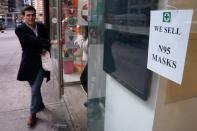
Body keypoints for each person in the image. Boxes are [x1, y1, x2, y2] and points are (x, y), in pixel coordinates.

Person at [15, 6, 55, 127]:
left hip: (42, 62)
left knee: (34, 88)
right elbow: (30, 40)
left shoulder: (41, 26)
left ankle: (32, 113)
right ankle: (40, 104)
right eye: (28, 15)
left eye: (33, 14)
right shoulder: (19, 29)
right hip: (28, 62)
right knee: (34, 86)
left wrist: (45, 47)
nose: (31, 17)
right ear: (23, 16)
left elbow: (44, 39)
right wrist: (47, 43)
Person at [74, 26, 88, 93]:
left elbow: (84, 47)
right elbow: (76, 44)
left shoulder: (90, 37)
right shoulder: (84, 37)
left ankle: (91, 97)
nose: (82, 33)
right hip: (88, 60)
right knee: (86, 79)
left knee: (83, 79)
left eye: (83, 32)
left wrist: (79, 36)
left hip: (93, 61)